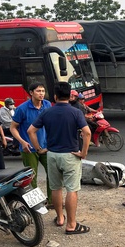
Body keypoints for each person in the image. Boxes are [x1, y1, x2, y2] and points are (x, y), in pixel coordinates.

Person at [27, 81, 92, 234]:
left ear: (55, 96)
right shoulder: (76, 112)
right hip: (70, 155)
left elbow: (31, 131)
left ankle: (60, 218)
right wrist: (83, 153)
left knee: (55, 188)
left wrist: (39, 149)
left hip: (52, 154)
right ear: (70, 96)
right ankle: (71, 225)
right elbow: (87, 133)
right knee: (72, 189)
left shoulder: (47, 111)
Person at [9, 83, 53, 206]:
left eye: (43, 91)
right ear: (31, 93)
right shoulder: (22, 109)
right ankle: (35, 204)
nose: (41, 93)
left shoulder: (47, 105)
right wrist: (22, 141)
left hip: (45, 147)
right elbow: (13, 128)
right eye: (38, 91)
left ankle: (52, 201)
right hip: (29, 149)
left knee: (53, 173)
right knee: (31, 178)